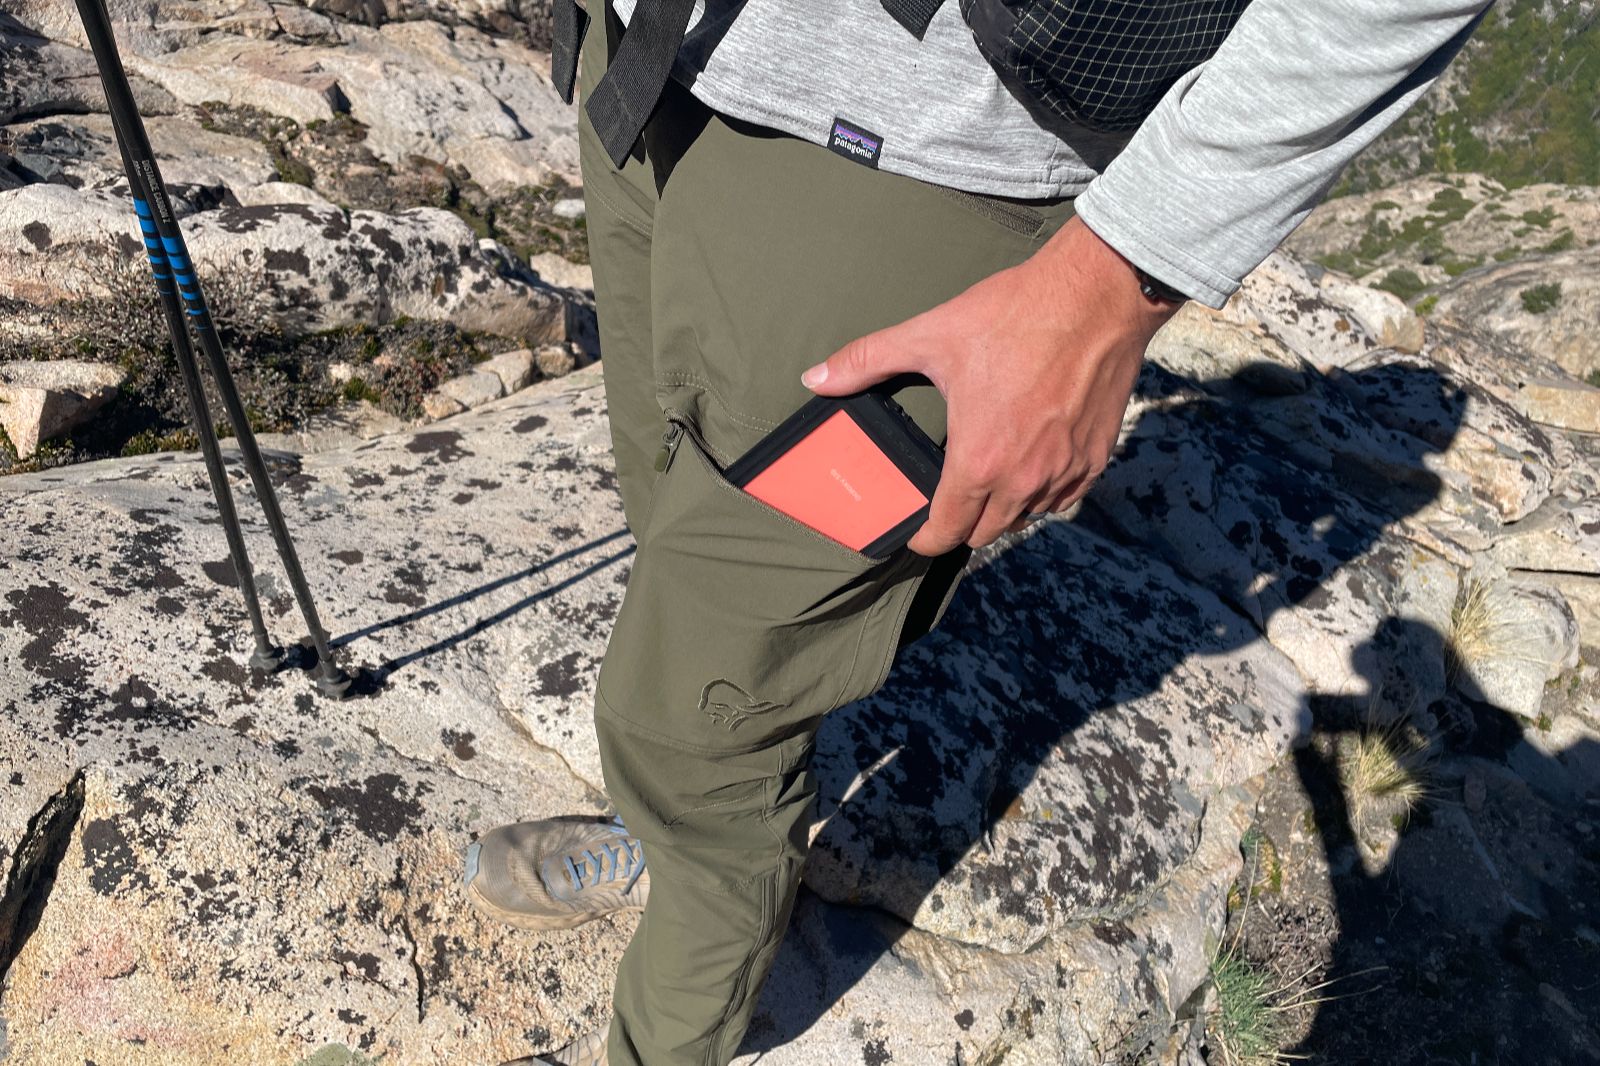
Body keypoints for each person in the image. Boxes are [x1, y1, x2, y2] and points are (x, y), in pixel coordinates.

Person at [460, 2, 1493, 1063]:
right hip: (650, 54)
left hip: (915, 153)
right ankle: (687, 842)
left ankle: (664, 1028)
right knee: (676, 528)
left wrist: (1110, 282)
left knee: (694, 707)